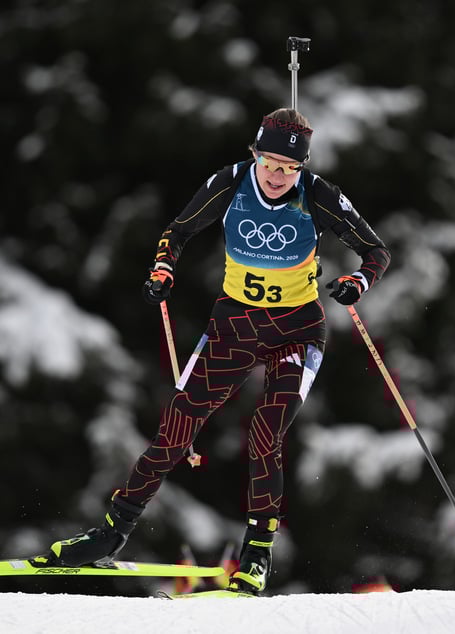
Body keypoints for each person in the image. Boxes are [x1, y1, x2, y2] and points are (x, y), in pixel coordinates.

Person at [34, 108, 391, 594]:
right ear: (255, 155)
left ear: (303, 168)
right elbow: (176, 233)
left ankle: (257, 553)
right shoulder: (230, 183)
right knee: (176, 427)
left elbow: (377, 251)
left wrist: (357, 280)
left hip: (297, 331)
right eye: (269, 162)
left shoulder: (319, 196)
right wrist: (163, 270)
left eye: (290, 168)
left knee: (268, 430)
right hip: (234, 326)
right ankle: (110, 534)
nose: (277, 175)